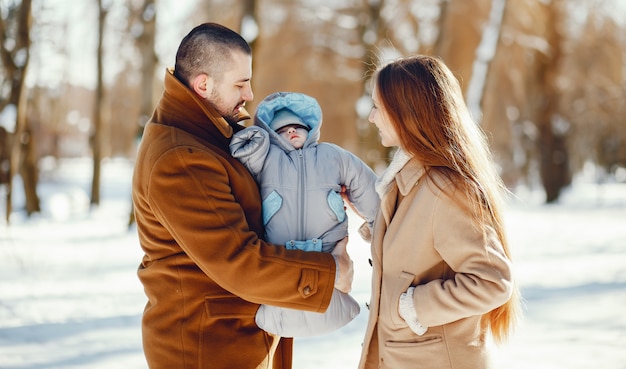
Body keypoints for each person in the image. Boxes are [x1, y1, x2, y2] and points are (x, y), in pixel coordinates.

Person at [132, 22, 354, 369]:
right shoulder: (181, 158)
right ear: (203, 84)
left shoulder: (212, 135)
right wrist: (328, 273)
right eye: (240, 83)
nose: (250, 94)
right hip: (207, 346)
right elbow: (238, 261)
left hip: (238, 338)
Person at [358, 55, 520, 369]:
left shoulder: (447, 188)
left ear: (405, 111)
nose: (371, 117)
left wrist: (412, 306)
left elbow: (492, 281)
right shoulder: (409, 181)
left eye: (378, 106)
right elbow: (421, 246)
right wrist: (378, 226)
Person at [229, 91, 379, 337]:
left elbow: (365, 185)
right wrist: (252, 144)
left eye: (298, 126)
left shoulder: (332, 156)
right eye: (281, 129)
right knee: (281, 298)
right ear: (270, 135)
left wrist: (378, 223)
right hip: (280, 260)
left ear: (312, 128)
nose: (291, 131)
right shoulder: (265, 158)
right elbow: (240, 164)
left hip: (328, 256)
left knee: (328, 297)